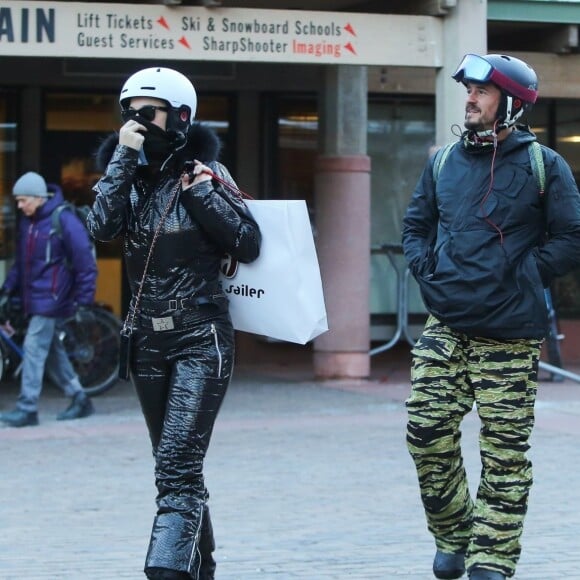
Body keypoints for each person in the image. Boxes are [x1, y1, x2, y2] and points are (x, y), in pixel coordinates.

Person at [402, 53, 580, 580]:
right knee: (425, 430)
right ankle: (455, 533)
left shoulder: (546, 164)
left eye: (482, 91)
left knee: (504, 452)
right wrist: (428, 269)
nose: (470, 99)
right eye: (469, 91)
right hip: (447, 324)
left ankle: (492, 558)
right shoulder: (442, 162)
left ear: (513, 105)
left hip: (511, 331)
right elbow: (416, 226)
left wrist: (524, 274)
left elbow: (571, 238)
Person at [87, 67, 261, 580]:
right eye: (131, 111)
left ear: (181, 117)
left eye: (150, 111)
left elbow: (247, 243)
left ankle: (166, 570)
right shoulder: (128, 178)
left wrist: (202, 191)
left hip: (200, 337)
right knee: (176, 466)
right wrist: (121, 156)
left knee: (177, 471)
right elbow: (101, 227)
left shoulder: (207, 173)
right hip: (145, 343)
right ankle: (201, 566)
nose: (139, 120)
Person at [0, 171, 97, 428]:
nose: (19, 206)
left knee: (33, 349)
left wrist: (85, 302)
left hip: (54, 299)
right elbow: (22, 264)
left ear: (38, 198)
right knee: (53, 351)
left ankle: (27, 407)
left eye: (23, 201)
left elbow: (85, 263)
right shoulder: (29, 223)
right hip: (37, 299)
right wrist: (7, 290)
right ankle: (80, 398)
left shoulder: (63, 219)